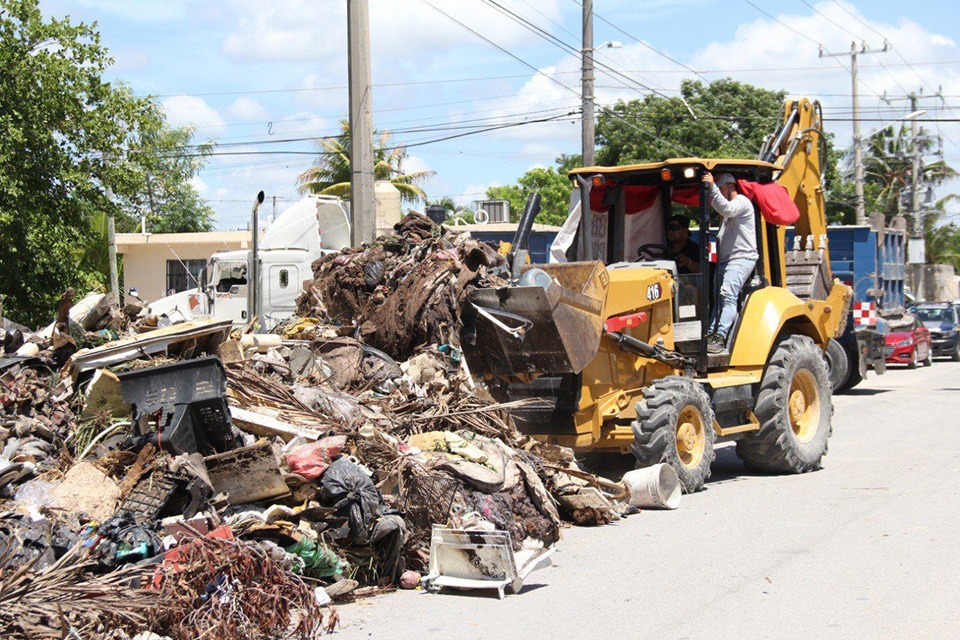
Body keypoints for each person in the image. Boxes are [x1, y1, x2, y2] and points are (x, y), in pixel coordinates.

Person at [702, 172, 758, 354]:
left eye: (721, 187)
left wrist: (711, 187)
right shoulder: (728, 216)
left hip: (741, 258)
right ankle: (710, 333)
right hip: (727, 260)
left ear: (731, 186)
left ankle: (720, 335)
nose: (718, 191)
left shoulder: (741, 202)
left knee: (727, 294)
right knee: (718, 299)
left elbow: (726, 208)